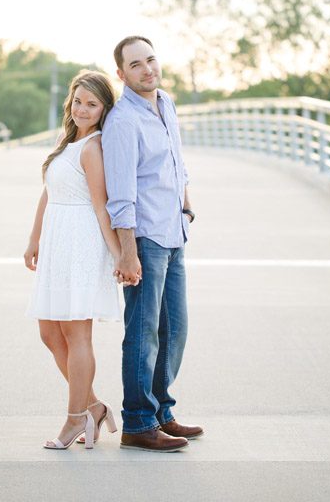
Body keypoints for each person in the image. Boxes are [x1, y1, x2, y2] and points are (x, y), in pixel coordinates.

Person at [102, 35, 203, 453]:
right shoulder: (123, 120)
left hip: (174, 229)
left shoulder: (166, 103)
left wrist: (184, 199)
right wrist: (127, 251)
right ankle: (138, 423)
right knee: (143, 332)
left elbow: (173, 160)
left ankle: (162, 411)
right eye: (136, 65)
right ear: (122, 74)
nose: (148, 69)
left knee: (174, 330)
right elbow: (121, 192)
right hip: (144, 237)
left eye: (151, 60)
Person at [24, 70, 125, 450]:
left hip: (81, 244)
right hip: (56, 242)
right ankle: (94, 407)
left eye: (92, 104)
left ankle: (73, 421)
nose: (83, 109)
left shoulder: (93, 147)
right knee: (49, 332)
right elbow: (48, 193)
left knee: (76, 333)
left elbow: (101, 208)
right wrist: (34, 238)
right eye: (78, 101)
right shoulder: (69, 142)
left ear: (104, 109)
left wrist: (120, 256)